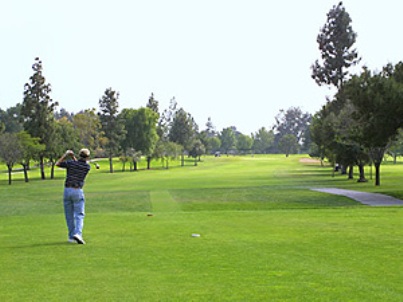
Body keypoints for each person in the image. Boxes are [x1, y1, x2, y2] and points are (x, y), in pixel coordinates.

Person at [56, 149, 91, 244]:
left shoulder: (71, 164)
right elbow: (78, 165)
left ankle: (71, 236)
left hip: (67, 190)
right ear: (87, 157)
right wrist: (72, 157)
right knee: (79, 214)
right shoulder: (87, 167)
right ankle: (78, 234)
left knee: (69, 215)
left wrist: (66, 155)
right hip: (77, 191)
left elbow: (58, 164)